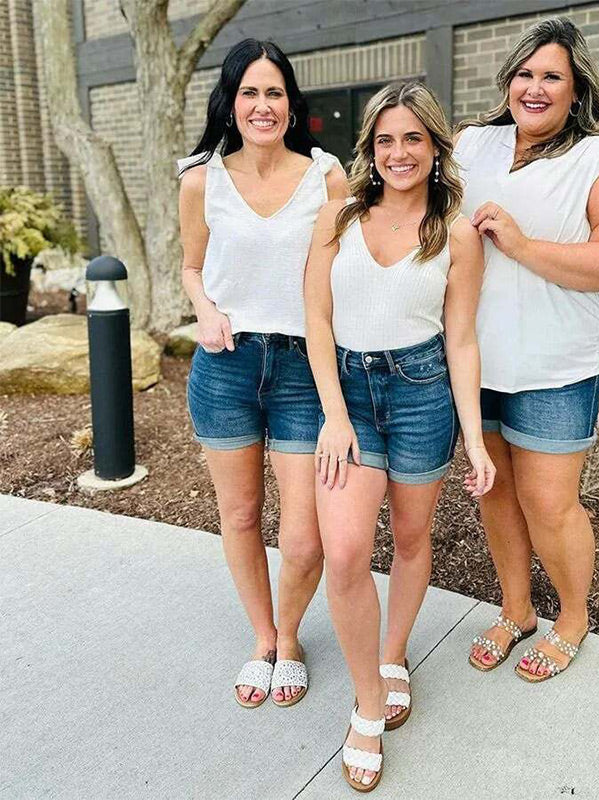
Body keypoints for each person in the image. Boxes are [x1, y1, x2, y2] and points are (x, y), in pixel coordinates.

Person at [304, 81, 494, 791]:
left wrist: (475, 439)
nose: (399, 152)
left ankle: (393, 655)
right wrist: (334, 413)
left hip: (422, 396)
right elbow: (317, 319)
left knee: (412, 540)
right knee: (347, 553)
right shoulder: (338, 217)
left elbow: (461, 341)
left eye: (413, 137)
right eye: (385, 139)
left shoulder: (457, 234)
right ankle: (367, 705)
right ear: (370, 148)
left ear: (436, 147)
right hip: (348, 396)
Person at [456, 18, 599, 682]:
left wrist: (522, 246)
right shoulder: (473, 144)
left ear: (576, 91)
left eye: (551, 76)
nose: (534, 87)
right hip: (474, 359)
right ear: (507, 81)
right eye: (524, 73)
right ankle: (516, 610)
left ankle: (572, 618)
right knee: (495, 494)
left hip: (557, 364)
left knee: (548, 503)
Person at [178, 39, 348, 709]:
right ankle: (266, 639)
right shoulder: (202, 179)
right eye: (249, 92)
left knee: (304, 536)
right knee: (241, 514)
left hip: (305, 367)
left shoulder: (325, 176)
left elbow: (338, 276)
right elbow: (192, 267)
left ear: (291, 104)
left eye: (274, 92)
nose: (262, 105)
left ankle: (293, 634)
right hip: (226, 366)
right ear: (230, 103)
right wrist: (204, 309)